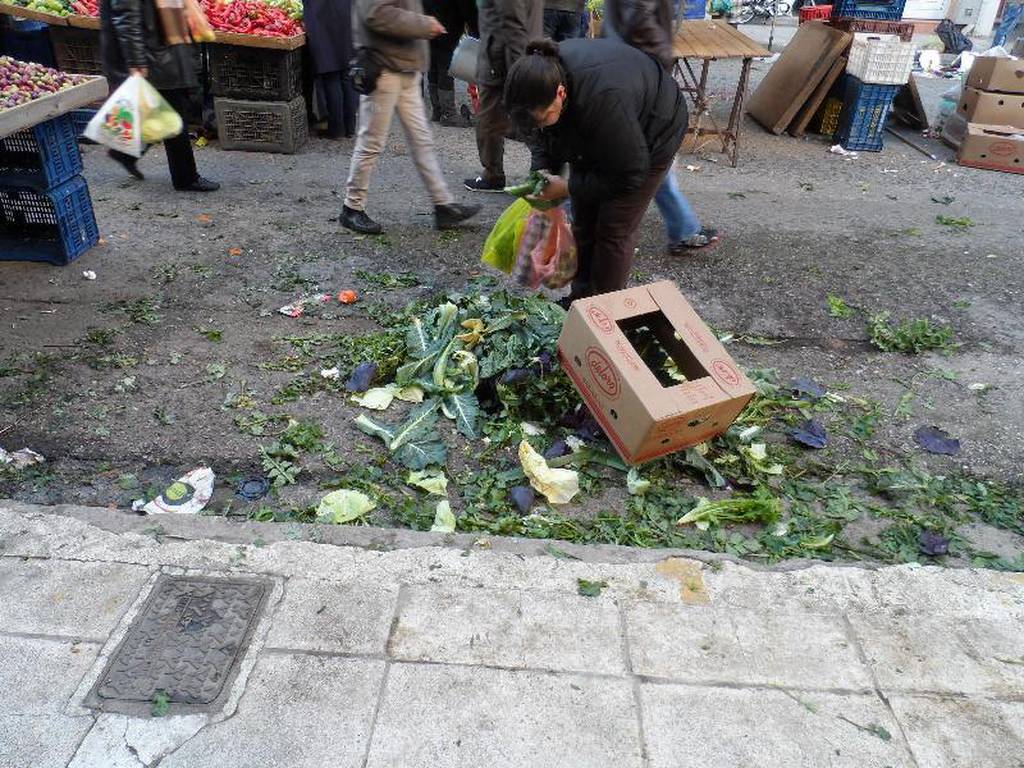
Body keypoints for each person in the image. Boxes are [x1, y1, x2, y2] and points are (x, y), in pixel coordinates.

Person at [506, 38, 687, 298]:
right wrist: (543, 171)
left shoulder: (604, 99)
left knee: (613, 228)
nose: (540, 127)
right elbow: (541, 137)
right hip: (598, 129)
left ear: (560, 93)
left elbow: (630, 174)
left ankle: (605, 312)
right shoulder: (534, 88)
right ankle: (580, 300)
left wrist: (566, 186)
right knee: (583, 219)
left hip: (652, 134)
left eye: (544, 119)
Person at [340, 0, 481, 234]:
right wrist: (423, 24)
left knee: (421, 140)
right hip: (384, 69)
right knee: (371, 143)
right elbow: (376, 14)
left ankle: (443, 204)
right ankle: (351, 207)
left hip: (404, 66)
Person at [604, 0, 717, 251]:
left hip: (626, 67)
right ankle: (567, 216)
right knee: (648, 157)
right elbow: (639, 14)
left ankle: (683, 228)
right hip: (636, 72)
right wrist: (662, 53)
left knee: (646, 157)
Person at [100, 0, 218, 191]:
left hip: (162, 46)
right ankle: (185, 177)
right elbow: (126, 19)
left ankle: (126, 153)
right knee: (175, 111)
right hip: (153, 52)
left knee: (168, 108)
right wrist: (136, 61)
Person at [464, 0, 543, 191]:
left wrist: (520, 69)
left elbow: (511, 22)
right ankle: (545, 170)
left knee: (491, 116)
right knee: (529, 112)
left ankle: (494, 174)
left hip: (500, 54)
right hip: (524, 48)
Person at [305, 0, 358, 138]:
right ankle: (350, 127)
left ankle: (336, 129)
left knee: (331, 74)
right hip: (346, 14)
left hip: (323, 17)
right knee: (347, 73)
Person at [422, 0, 478, 125]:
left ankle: (437, 110)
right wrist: (476, 31)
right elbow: (468, 9)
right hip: (447, 27)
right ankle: (448, 113)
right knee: (445, 68)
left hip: (428, 25)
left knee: (433, 65)